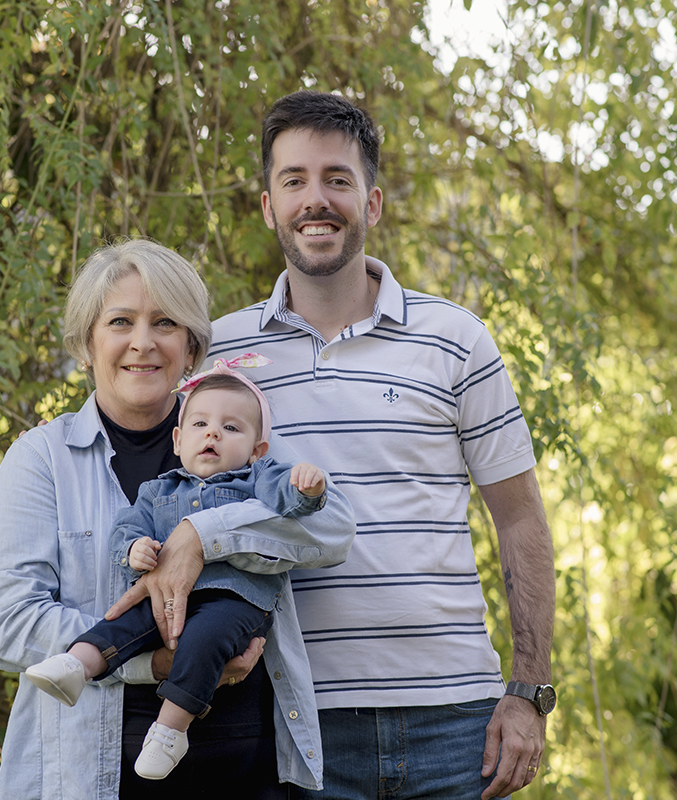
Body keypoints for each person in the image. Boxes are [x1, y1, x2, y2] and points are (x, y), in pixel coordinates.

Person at [109, 92, 556, 799]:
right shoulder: (221, 353)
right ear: (267, 206)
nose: (316, 200)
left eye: (337, 180)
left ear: (372, 203)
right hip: (294, 722)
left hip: (456, 724)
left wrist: (529, 691)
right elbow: (164, 490)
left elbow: (522, 520)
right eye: (294, 181)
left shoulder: (456, 340)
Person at [0, 238, 355, 799]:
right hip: (95, 772)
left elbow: (332, 527)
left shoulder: (234, 434)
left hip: (245, 769)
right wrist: (153, 662)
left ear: (192, 348)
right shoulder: (42, 460)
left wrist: (203, 535)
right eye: (121, 322)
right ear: (87, 343)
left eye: (166, 323)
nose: (143, 343)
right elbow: (6, 623)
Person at [23, 358, 332, 781]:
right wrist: (134, 549)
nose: (213, 434)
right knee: (123, 620)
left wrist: (307, 487)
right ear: (178, 438)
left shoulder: (257, 477)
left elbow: (292, 504)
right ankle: (77, 665)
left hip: (235, 600)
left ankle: (170, 730)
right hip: (166, 595)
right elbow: (126, 527)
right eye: (201, 424)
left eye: (231, 428)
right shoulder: (159, 489)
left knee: (205, 639)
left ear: (258, 449)